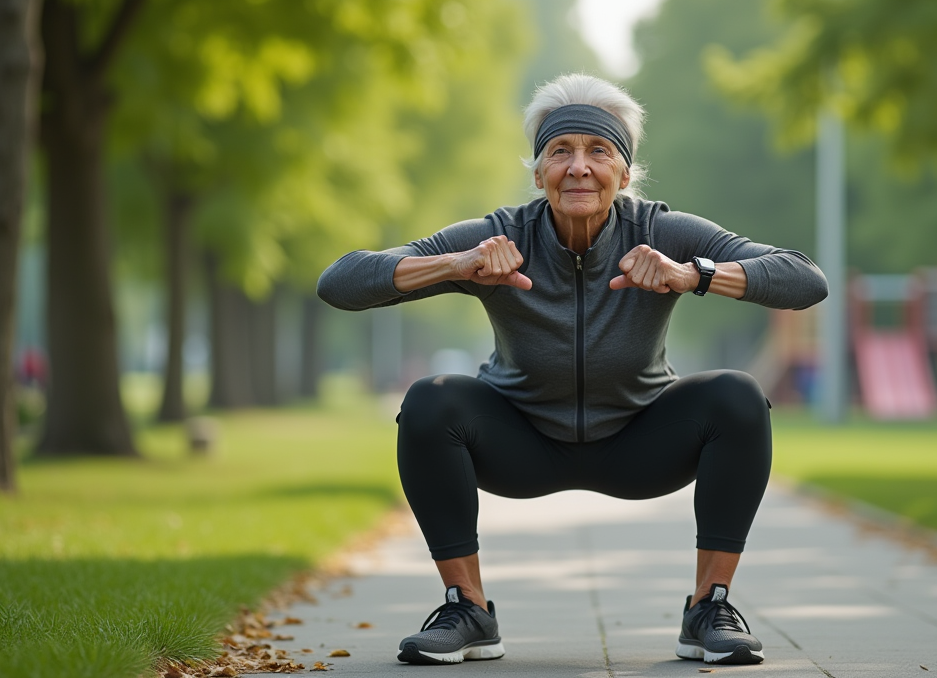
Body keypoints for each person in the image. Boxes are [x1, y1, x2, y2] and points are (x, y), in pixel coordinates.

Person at [317, 73, 828, 666]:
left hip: (641, 443)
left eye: (598, 151)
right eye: (560, 151)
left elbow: (805, 279)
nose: (579, 167)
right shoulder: (499, 236)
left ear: (625, 173)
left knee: (737, 397)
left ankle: (708, 608)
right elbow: (340, 283)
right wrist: (456, 264)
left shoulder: (662, 232)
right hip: (519, 443)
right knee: (431, 400)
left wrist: (693, 274)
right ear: (538, 174)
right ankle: (468, 609)